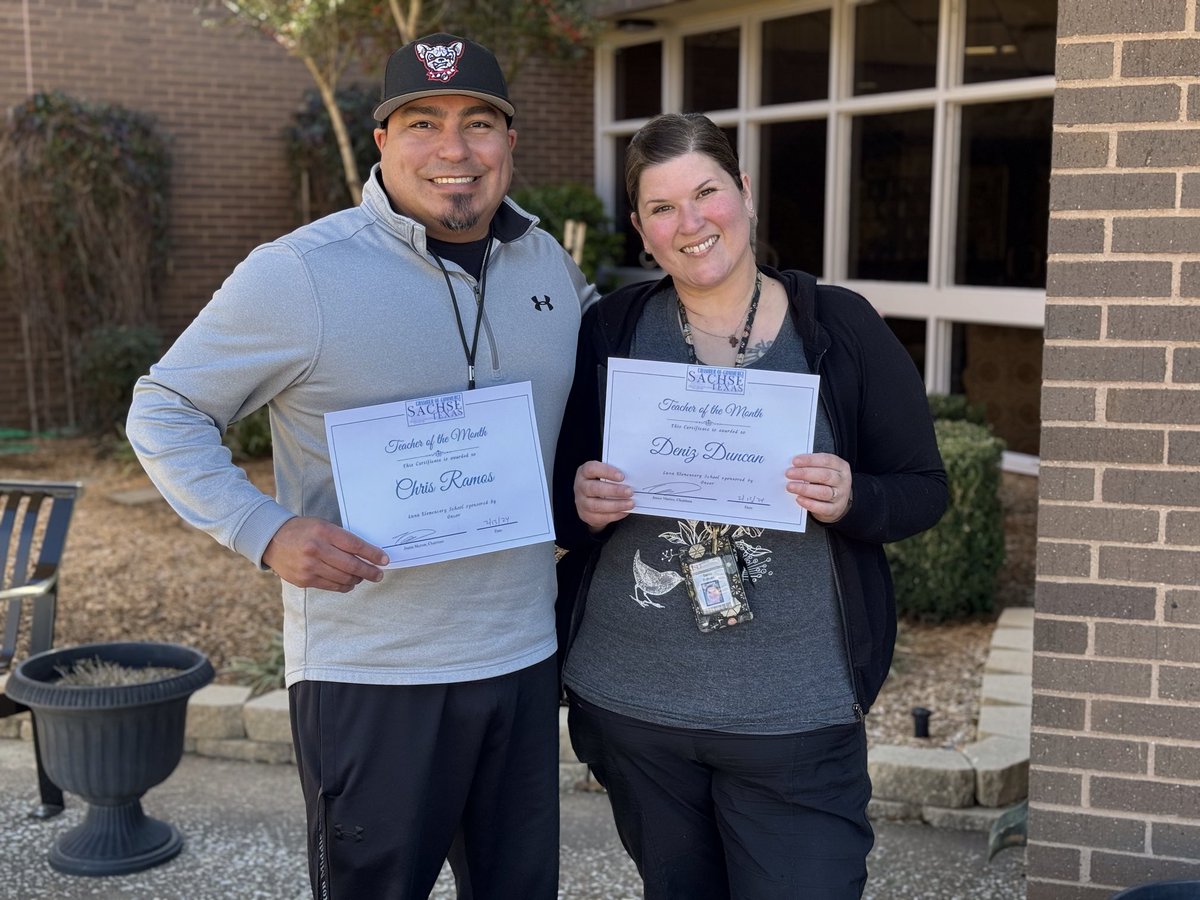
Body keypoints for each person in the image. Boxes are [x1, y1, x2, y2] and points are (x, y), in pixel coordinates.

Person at [127, 33, 596, 900]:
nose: (454, 150)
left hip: (523, 657)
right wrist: (261, 529)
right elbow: (164, 407)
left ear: (510, 142)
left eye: (479, 123)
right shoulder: (300, 273)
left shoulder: (550, 267)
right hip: (375, 675)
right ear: (383, 142)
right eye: (423, 123)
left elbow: (596, 396)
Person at [552, 112, 948, 899]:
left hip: (794, 715)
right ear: (641, 229)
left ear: (747, 194)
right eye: (663, 208)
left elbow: (923, 489)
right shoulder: (612, 331)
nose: (691, 223)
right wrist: (579, 504)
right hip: (636, 709)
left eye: (707, 192)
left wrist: (852, 497)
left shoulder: (838, 326)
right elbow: (560, 498)